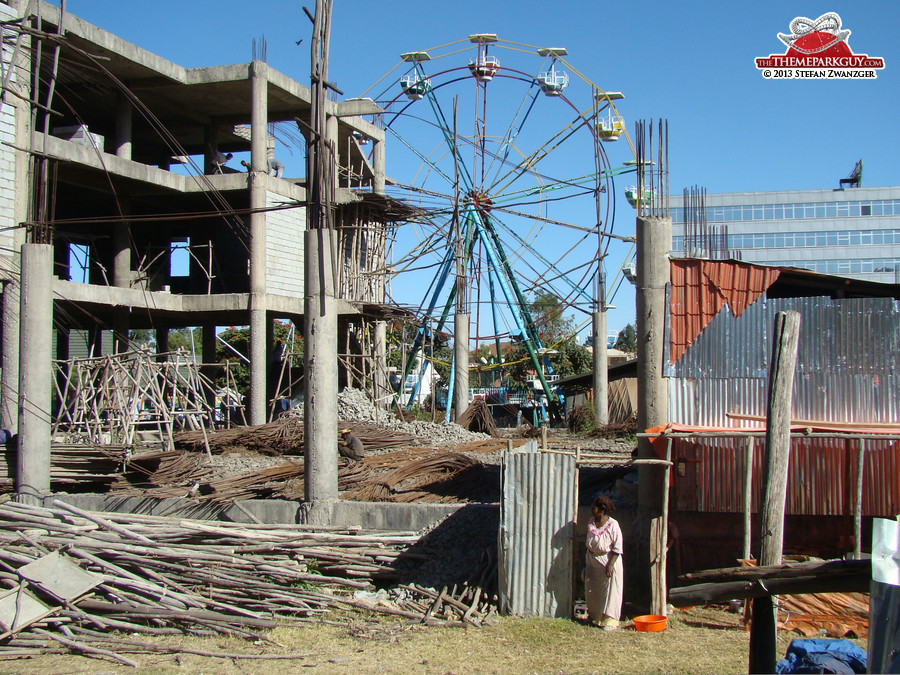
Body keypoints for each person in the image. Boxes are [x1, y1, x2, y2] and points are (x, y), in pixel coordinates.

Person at [584, 495, 624, 630]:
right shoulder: (591, 522)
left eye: (594, 508)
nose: (592, 510)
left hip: (608, 563)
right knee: (594, 590)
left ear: (602, 510)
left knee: (610, 591)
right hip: (593, 561)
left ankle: (610, 620)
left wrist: (610, 565)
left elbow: (617, 548)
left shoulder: (613, 525)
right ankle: (595, 616)